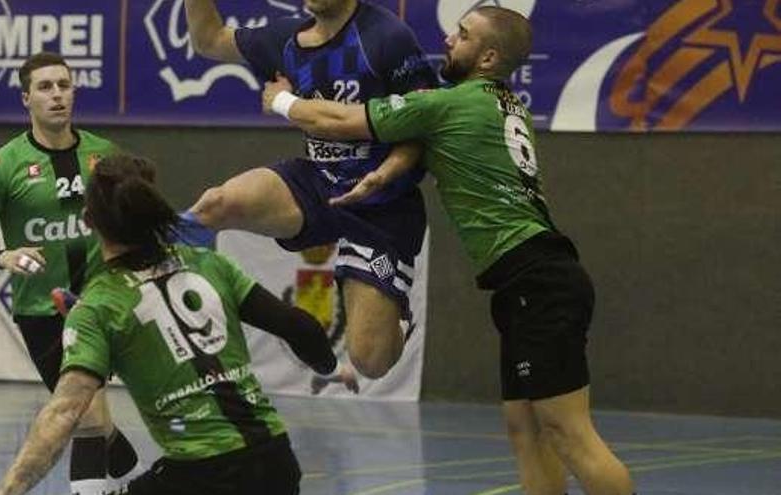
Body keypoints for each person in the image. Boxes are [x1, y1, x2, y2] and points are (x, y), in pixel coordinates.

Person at [262, 6, 636, 495]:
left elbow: (339, 119)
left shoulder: (450, 103)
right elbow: (431, 148)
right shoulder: (505, 103)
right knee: (525, 431)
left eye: (462, 36)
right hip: (525, 282)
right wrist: (388, 172)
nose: (447, 40)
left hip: (538, 281)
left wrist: (282, 101)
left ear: (488, 57)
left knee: (570, 433)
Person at [0, 154, 354, 495]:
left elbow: (65, 411)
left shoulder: (100, 305)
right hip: (276, 462)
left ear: (88, 220)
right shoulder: (210, 264)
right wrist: (332, 366)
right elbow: (297, 326)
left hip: (200, 476)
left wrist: (6, 490)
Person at [184, 0, 438, 379]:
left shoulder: (387, 38)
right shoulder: (285, 38)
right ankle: (135, 275)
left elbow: (423, 126)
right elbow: (209, 40)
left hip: (382, 205)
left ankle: (397, 323)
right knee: (217, 204)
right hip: (318, 184)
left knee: (371, 361)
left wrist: (384, 174)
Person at [0, 52, 138, 493]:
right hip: (42, 311)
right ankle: (116, 448)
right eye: (45, 87)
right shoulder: (2, 167)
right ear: (26, 99)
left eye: (64, 85)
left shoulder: (105, 156)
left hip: (100, 305)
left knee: (82, 411)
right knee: (88, 412)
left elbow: (132, 223)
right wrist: (4, 257)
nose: (57, 95)